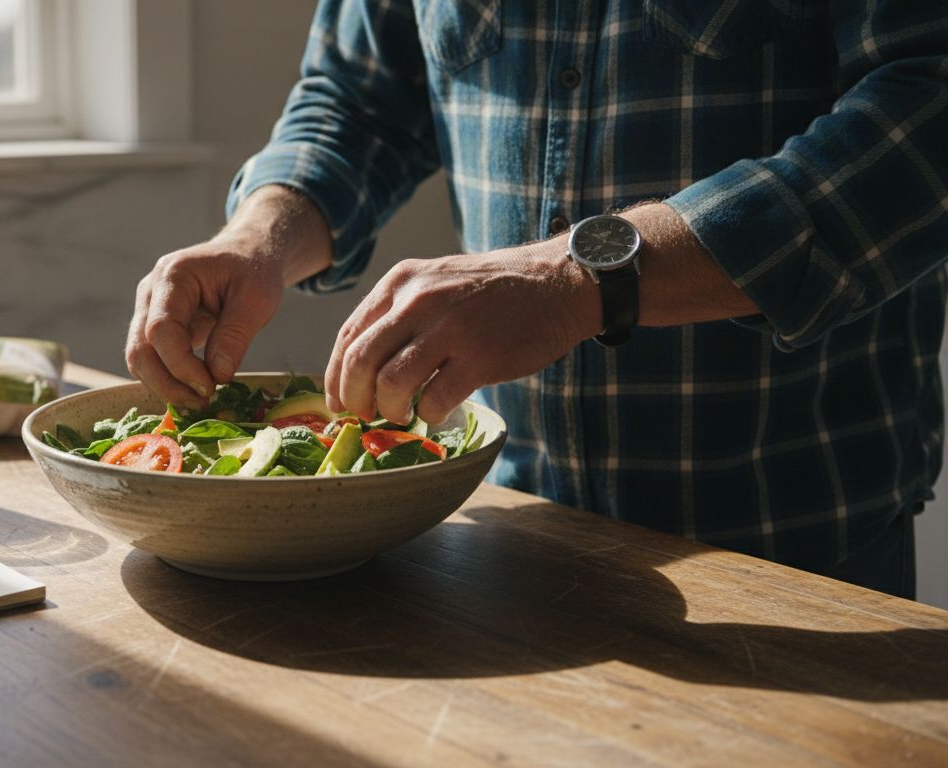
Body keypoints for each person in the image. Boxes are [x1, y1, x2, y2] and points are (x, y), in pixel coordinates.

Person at [125, 1, 948, 598]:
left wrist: (576, 281)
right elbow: (359, 101)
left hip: (795, 538)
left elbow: (928, 101)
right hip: (507, 528)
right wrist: (258, 234)